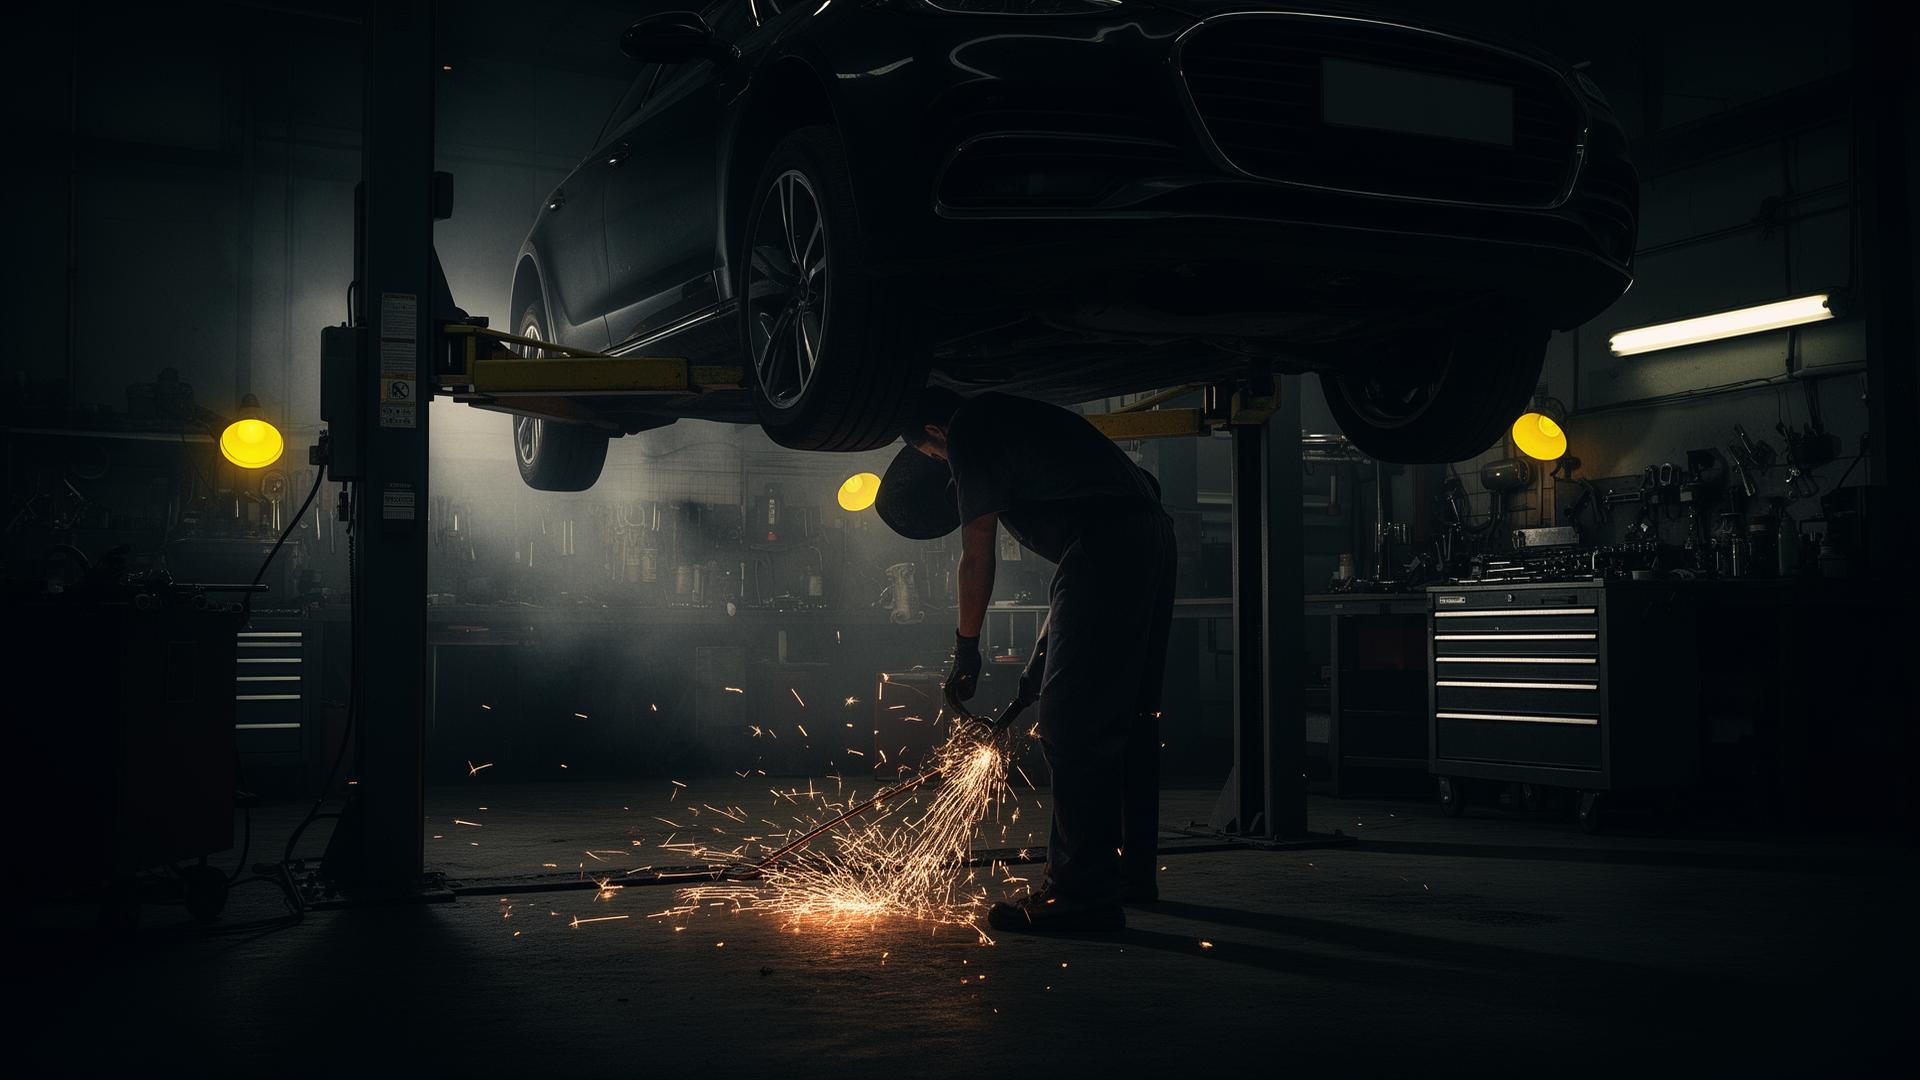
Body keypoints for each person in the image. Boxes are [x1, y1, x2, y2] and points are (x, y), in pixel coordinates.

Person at [877, 386, 1177, 932]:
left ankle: (1081, 896)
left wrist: (966, 650)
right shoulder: (1019, 426)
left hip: (1109, 542)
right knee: (1128, 718)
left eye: (935, 458)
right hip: (1145, 535)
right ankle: (1127, 875)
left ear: (938, 435)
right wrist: (1040, 663)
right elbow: (1081, 568)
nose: (947, 467)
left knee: (1071, 727)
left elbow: (976, 553)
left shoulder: (970, 428)